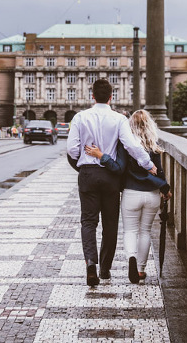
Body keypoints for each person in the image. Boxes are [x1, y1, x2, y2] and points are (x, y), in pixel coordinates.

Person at [67, 79, 156, 287]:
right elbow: (132, 146)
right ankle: (105, 268)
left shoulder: (80, 117)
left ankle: (90, 263)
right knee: (110, 223)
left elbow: (71, 149)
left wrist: (83, 164)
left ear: (92, 96)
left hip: (88, 173)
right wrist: (147, 163)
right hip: (110, 176)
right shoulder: (119, 119)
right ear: (111, 97)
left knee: (88, 222)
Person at [88, 110, 171, 284]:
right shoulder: (154, 145)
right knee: (145, 231)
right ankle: (140, 270)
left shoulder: (125, 146)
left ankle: (131, 257)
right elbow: (160, 172)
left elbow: (119, 168)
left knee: (130, 231)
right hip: (152, 194)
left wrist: (102, 157)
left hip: (131, 193)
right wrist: (165, 189)